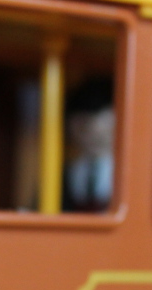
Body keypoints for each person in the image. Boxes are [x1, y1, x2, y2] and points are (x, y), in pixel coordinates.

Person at [64, 77, 115, 212]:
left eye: (106, 125)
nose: (93, 136)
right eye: (82, 128)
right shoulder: (62, 174)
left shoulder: (135, 175)